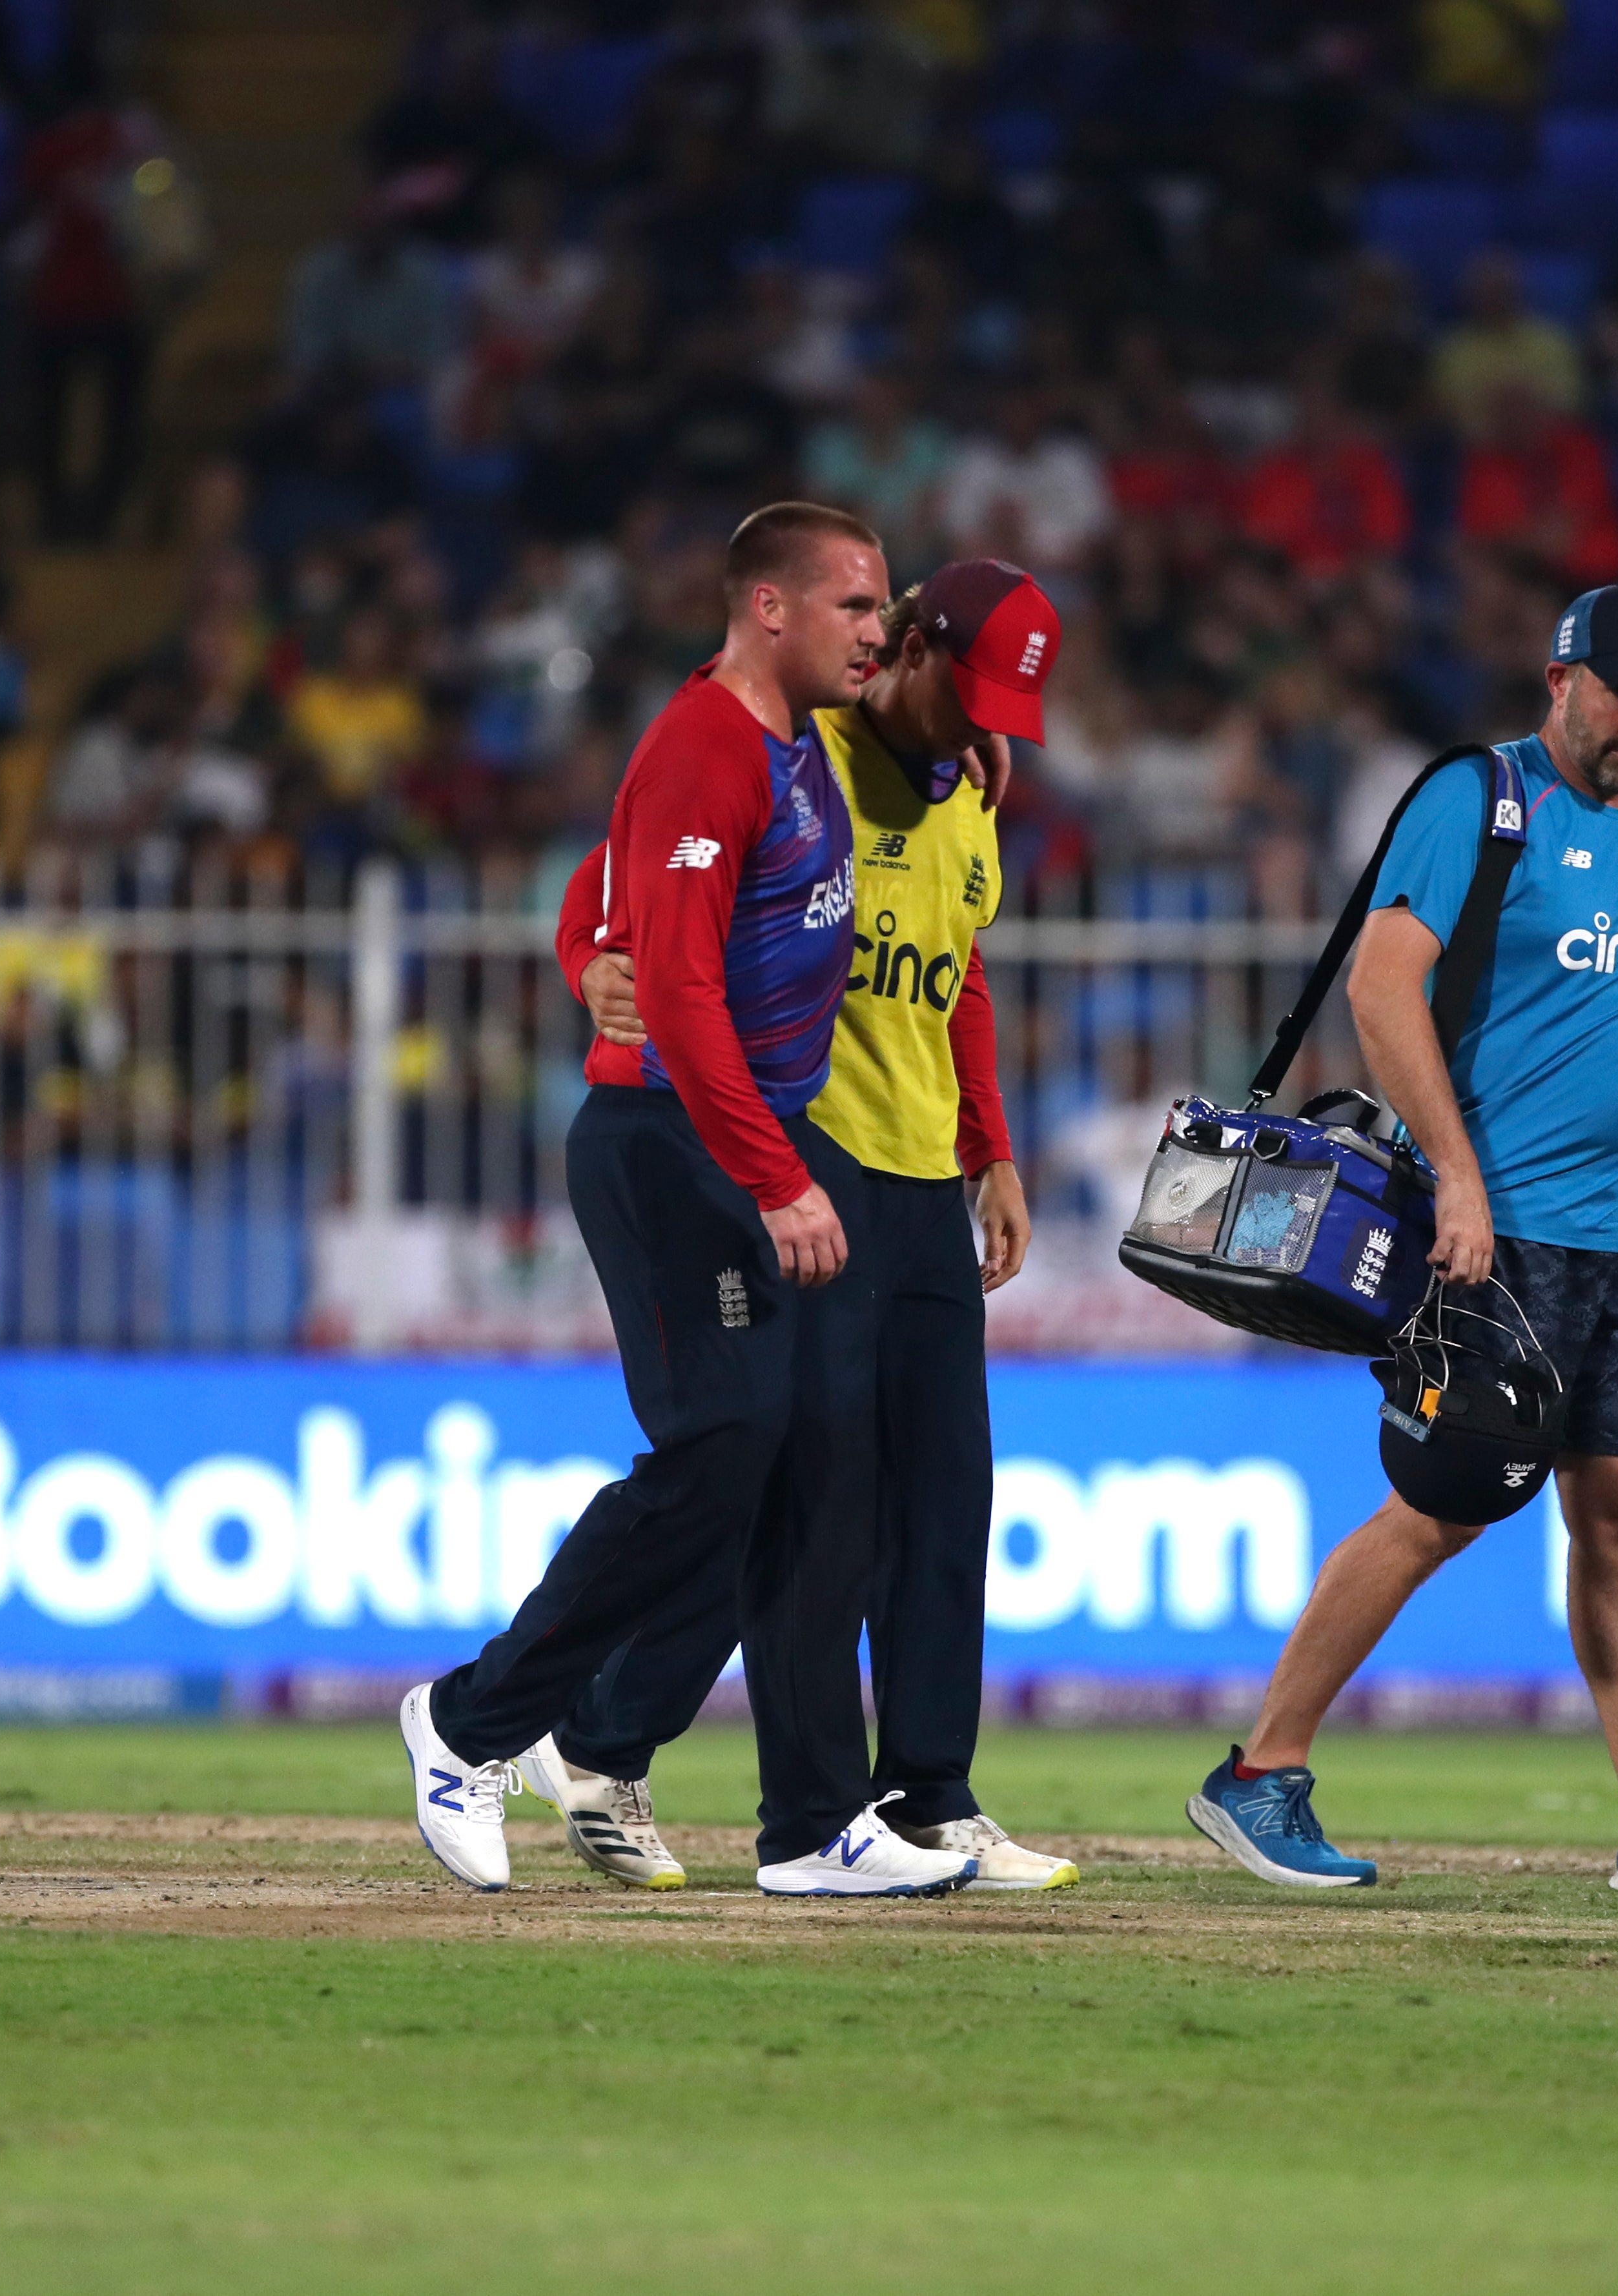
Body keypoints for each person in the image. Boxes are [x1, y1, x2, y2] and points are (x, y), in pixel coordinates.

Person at [1183, 586, 1618, 1895]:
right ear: (1558, 682)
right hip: (1498, 1238)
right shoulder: (1478, 800)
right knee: (1440, 1509)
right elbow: (1379, 984)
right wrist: (1459, 1185)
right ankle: (1258, 1773)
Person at [399, 503, 976, 1900]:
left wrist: (593, 947)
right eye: (853, 604)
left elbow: (612, 900)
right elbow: (666, 979)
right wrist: (774, 1176)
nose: (877, 628)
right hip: (674, 1147)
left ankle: (795, 1820)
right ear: (767, 608)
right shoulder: (707, 742)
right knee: (725, 1442)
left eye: (885, 609)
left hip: (739, 1140)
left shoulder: (796, 751)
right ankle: (469, 1723)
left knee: (781, 1460)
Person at [534, 560, 1072, 1893]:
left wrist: (989, 1146)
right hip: (804, 1165)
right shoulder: (784, 750)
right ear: (907, 647)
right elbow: (614, 892)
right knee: (810, 1503)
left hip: (919, 1178)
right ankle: (797, 1813)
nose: (985, 725)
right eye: (974, 692)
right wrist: (588, 965)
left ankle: (930, 1799)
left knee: (946, 1495)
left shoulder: (977, 787)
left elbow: (959, 978)